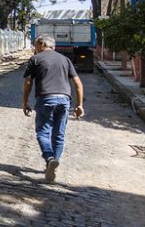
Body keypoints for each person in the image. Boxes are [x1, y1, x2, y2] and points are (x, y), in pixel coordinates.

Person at [22, 35, 84, 182]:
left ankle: (50, 159)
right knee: (59, 135)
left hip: (46, 99)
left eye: (35, 46)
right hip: (64, 100)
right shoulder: (65, 60)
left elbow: (28, 82)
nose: (34, 49)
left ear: (41, 45)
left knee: (43, 132)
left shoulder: (35, 59)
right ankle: (54, 162)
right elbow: (78, 84)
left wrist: (25, 102)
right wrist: (79, 105)